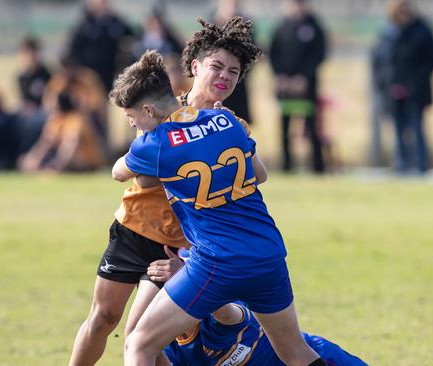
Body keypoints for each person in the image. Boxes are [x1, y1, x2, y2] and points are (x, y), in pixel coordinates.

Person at [111, 49, 326, 365]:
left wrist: (145, 136)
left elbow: (118, 172)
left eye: (132, 119)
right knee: (295, 351)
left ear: (146, 109)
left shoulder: (155, 143)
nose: (133, 125)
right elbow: (259, 174)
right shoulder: (226, 119)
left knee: (138, 344)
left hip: (216, 261)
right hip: (268, 253)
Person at [147, 250, 368, 366]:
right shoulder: (171, 350)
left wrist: (185, 275)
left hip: (316, 358)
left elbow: (224, 311)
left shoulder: (219, 312)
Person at [372, 0, 433, 175]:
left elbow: (431, 58)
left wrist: (416, 81)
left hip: (415, 89)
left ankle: (421, 165)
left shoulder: (422, 29)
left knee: (417, 127)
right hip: (392, 88)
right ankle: (401, 164)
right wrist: (383, 81)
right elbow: (378, 60)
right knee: (397, 128)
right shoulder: (387, 31)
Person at [269, 0, 327, 173]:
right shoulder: (281, 27)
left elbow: (319, 54)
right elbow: (273, 54)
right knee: (285, 128)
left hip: (307, 87)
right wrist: (280, 77)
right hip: (285, 88)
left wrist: (304, 77)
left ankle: (317, 166)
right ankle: (287, 166)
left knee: (311, 127)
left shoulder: (314, 26)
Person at [18, 91, 105, 173]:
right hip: (66, 159)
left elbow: (70, 146)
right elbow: (46, 143)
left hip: (85, 162)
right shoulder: (56, 119)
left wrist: (58, 166)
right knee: (24, 160)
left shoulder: (76, 120)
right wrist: (34, 160)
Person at [67, 0, 136, 93]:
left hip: (109, 73)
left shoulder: (115, 23)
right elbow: (72, 51)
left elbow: (131, 36)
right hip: (88, 77)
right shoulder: (84, 26)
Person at [209, 0, 255, 124]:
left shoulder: (247, 23)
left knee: (239, 122)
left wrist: (238, 72)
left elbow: (251, 53)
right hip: (215, 81)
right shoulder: (213, 19)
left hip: (238, 82)